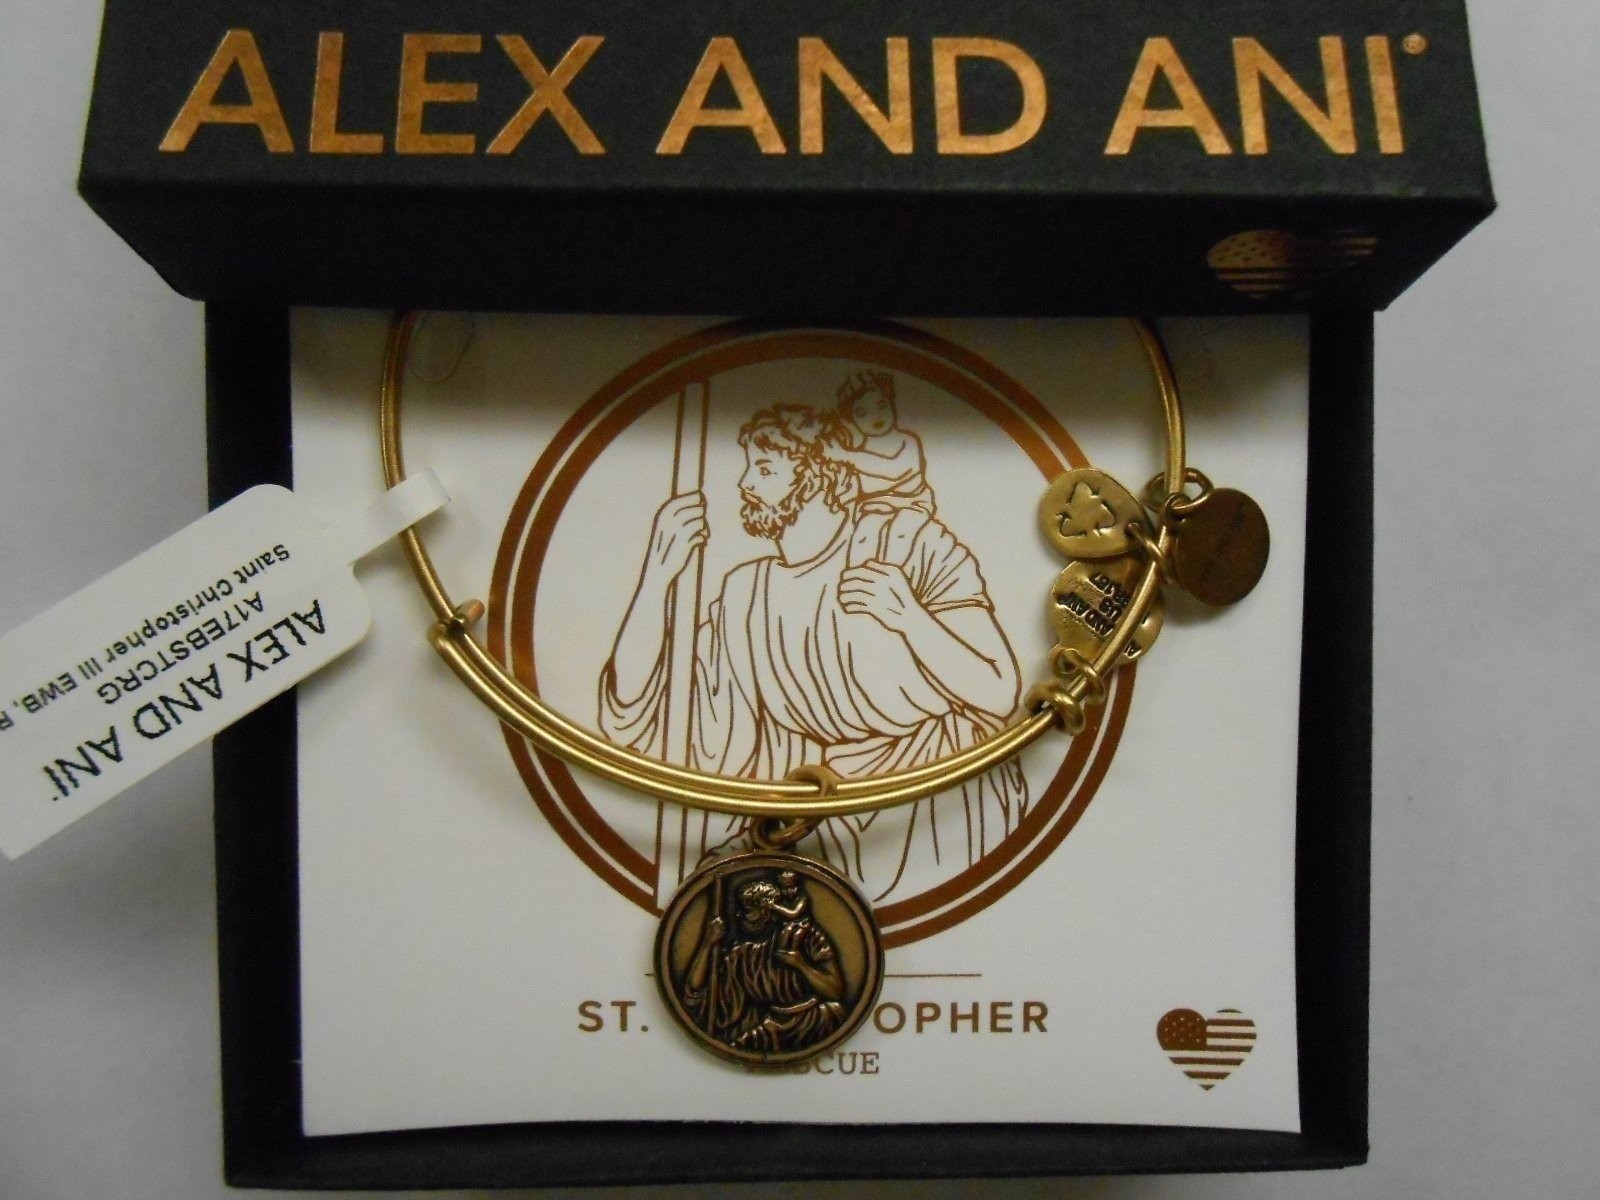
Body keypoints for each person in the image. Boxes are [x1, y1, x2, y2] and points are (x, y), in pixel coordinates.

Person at [598, 403, 1027, 902]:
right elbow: (644, 707)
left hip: (937, 802)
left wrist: (909, 616)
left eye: (765, 469)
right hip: (821, 812)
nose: (744, 484)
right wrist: (657, 576)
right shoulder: (744, 594)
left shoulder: (906, 543)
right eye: (748, 467)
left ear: (821, 476)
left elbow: (999, 690)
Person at [680, 874, 845, 1055]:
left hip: (814, 1022)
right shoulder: (741, 955)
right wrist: (707, 944)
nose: (738, 915)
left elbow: (835, 990)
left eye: (747, 911)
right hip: (768, 1029)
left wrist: (801, 964)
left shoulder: (807, 937)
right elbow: (697, 998)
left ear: (766, 913)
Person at [828, 369, 936, 517]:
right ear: (851, 419)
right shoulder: (860, 452)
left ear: (890, 403)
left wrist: (846, 456)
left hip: (912, 506)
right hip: (873, 511)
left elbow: (894, 471)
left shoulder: (908, 441)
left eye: (881, 405)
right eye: (862, 413)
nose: (875, 417)